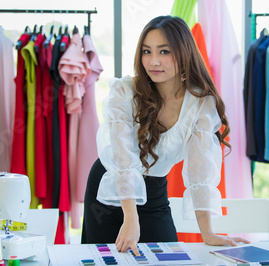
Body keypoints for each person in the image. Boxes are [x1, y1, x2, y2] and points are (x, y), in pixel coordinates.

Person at [81, 15, 248, 255]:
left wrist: (208, 234)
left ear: (184, 53)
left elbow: (200, 173)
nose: (154, 61)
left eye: (164, 52)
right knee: (106, 259)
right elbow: (123, 159)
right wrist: (130, 218)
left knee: (169, 258)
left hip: (155, 192)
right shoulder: (125, 92)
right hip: (110, 191)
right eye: (147, 52)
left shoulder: (200, 103)